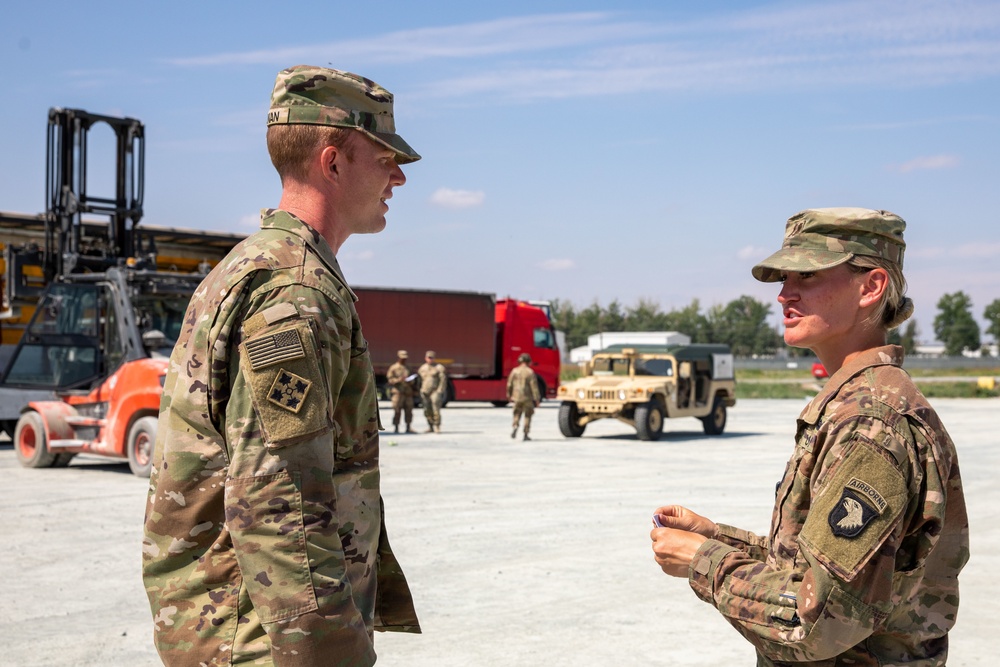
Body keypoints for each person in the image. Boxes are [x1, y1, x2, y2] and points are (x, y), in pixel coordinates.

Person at [142, 65, 422, 667]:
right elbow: (280, 504)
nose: (399, 175)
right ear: (333, 161)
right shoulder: (295, 291)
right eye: (384, 156)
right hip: (264, 642)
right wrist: (334, 655)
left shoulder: (261, 265)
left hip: (237, 628)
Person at [650, 208, 969, 665]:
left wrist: (703, 560)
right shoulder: (859, 403)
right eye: (783, 277)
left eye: (806, 274)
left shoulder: (871, 423)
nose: (784, 294)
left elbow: (818, 619)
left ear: (871, 286)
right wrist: (716, 536)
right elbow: (820, 567)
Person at [507, 352, 541, 440]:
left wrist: (509, 395)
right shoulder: (530, 372)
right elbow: (534, 387)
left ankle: (515, 426)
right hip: (527, 398)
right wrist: (537, 399)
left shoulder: (514, 371)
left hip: (516, 397)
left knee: (517, 413)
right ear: (528, 361)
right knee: (528, 415)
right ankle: (525, 434)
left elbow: (509, 384)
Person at [417, 350, 447, 433]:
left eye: (432, 358)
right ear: (425, 358)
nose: (430, 359)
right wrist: (419, 390)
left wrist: (440, 390)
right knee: (427, 410)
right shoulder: (422, 368)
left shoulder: (439, 367)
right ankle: (430, 426)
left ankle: (437, 426)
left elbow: (443, 380)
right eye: (429, 357)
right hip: (425, 391)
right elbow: (419, 381)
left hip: (434, 391)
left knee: (435, 409)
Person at [386, 349, 415, 433]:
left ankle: (408, 427)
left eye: (405, 358)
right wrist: (399, 380)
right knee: (397, 411)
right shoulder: (394, 367)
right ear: (399, 357)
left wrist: (410, 381)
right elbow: (390, 380)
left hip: (408, 393)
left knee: (409, 411)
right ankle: (396, 427)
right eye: (402, 358)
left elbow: (413, 378)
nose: (404, 359)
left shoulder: (408, 367)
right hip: (398, 393)